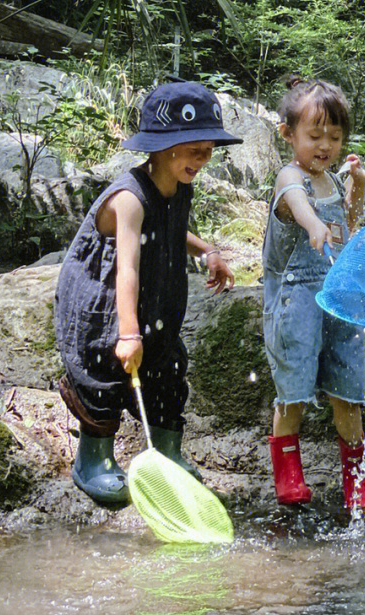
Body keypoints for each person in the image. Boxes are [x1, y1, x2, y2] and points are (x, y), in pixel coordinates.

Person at [54, 78, 240, 508]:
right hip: (105, 303)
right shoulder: (130, 198)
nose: (203, 157)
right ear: (159, 147)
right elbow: (127, 269)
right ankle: (94, 458)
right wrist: (128, 332)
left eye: (208, 147)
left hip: (155, 302)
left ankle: (167, 451)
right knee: (105, 375)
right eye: (193, 147)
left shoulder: (178, 185)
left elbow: (172, 229)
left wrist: (207, 250)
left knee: (168, 366)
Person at [262, 75, 365, 510]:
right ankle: (288, 471)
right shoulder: (289, 177)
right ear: (288, 134)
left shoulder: (329, 178)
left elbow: (346, 221)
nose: (324, 146)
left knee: (348, 386)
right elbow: (299, 205)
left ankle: (355, 475)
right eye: (314, 136)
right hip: (296, 303)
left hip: (336, 298)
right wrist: (311, 225)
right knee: (294, 386)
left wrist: (357, 185)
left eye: (334, 136)